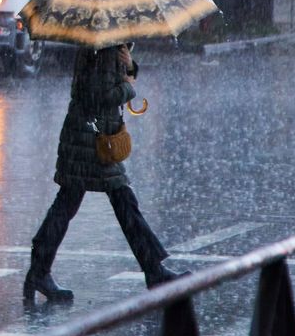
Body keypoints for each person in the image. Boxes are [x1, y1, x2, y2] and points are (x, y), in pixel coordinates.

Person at [24, 42, 184, 303]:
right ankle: (154, 272)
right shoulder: (105, 48)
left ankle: (39, 271)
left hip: (86, 135)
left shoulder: (103, 44)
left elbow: (101, 85)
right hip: (92, 140)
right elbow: (100, 96)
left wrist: (129, 65)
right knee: (120, 202)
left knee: (72, 203)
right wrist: (129, 86)